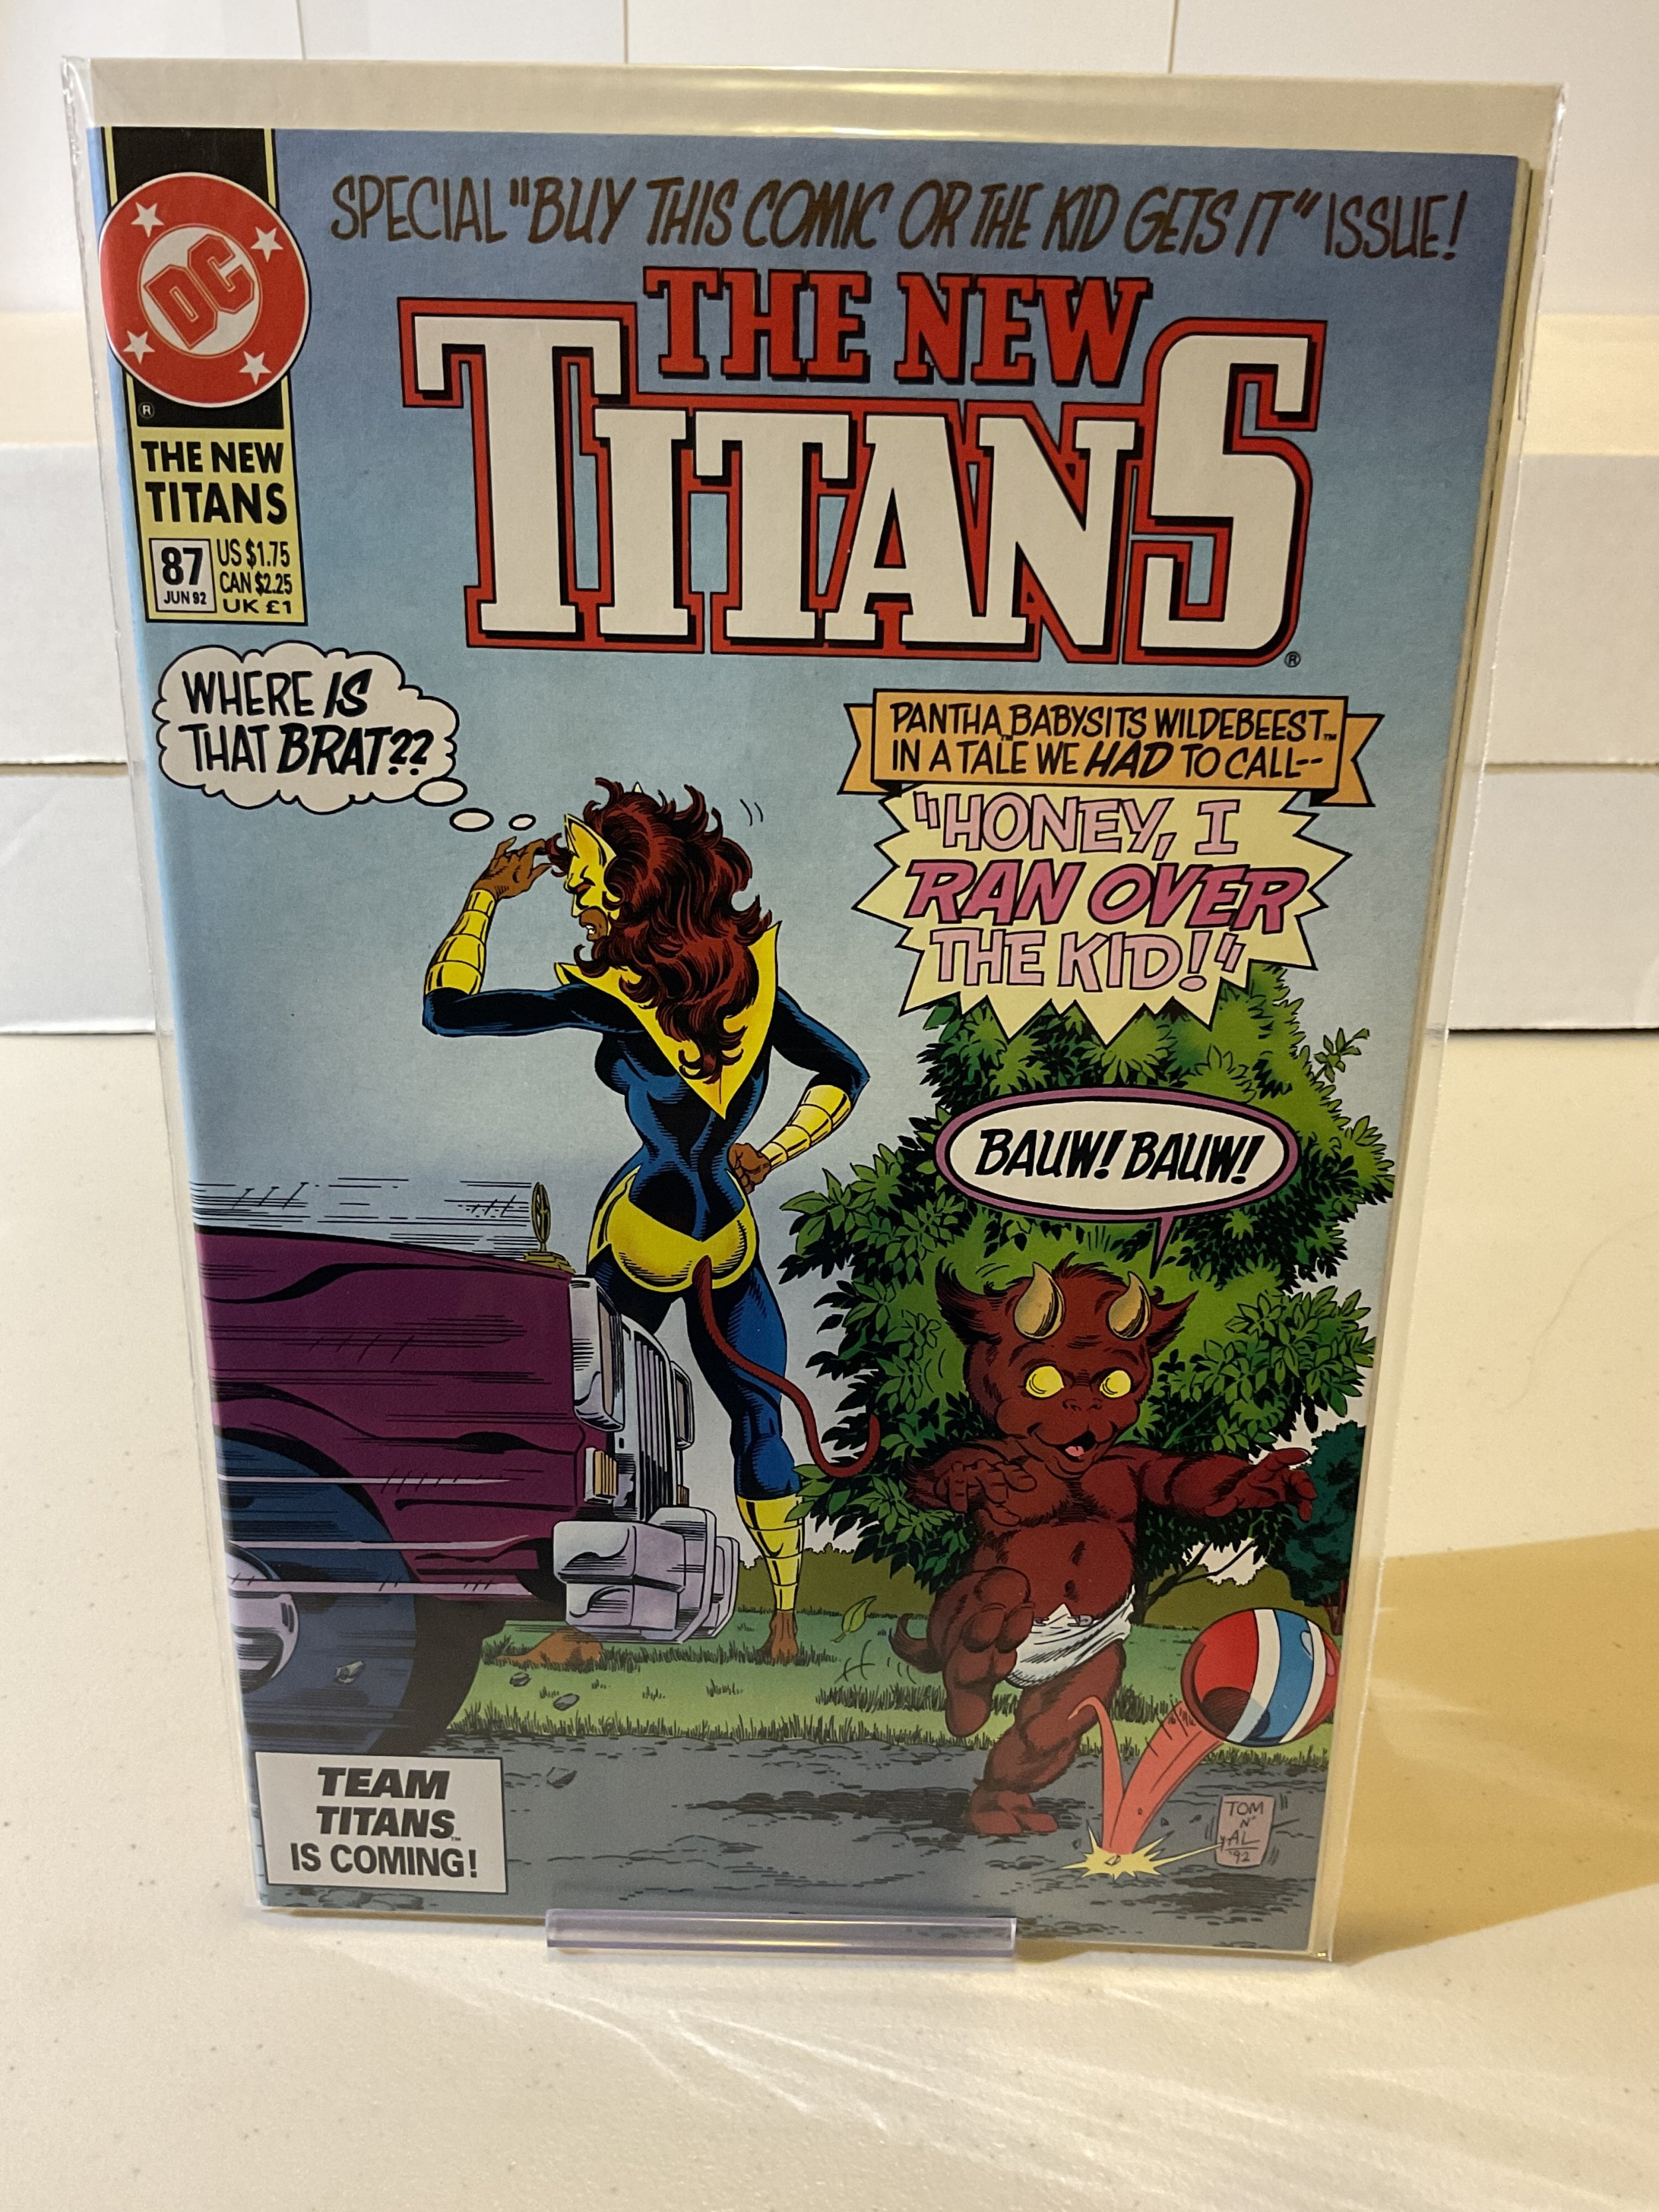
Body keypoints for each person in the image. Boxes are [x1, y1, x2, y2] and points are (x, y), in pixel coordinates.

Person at [423, 780, 867, 1661]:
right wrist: (772, 1151)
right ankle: (783, 1622)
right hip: (727, 1232)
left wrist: (483, 899)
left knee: (597, 1423)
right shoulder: (750, 986)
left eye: (587, 886)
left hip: (645, 1237)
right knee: (759, 1420)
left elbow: (447, 1011)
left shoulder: (616, 1002)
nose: (576, 905)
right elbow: (845, 1073)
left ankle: (583, 1629)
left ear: (636, 895)